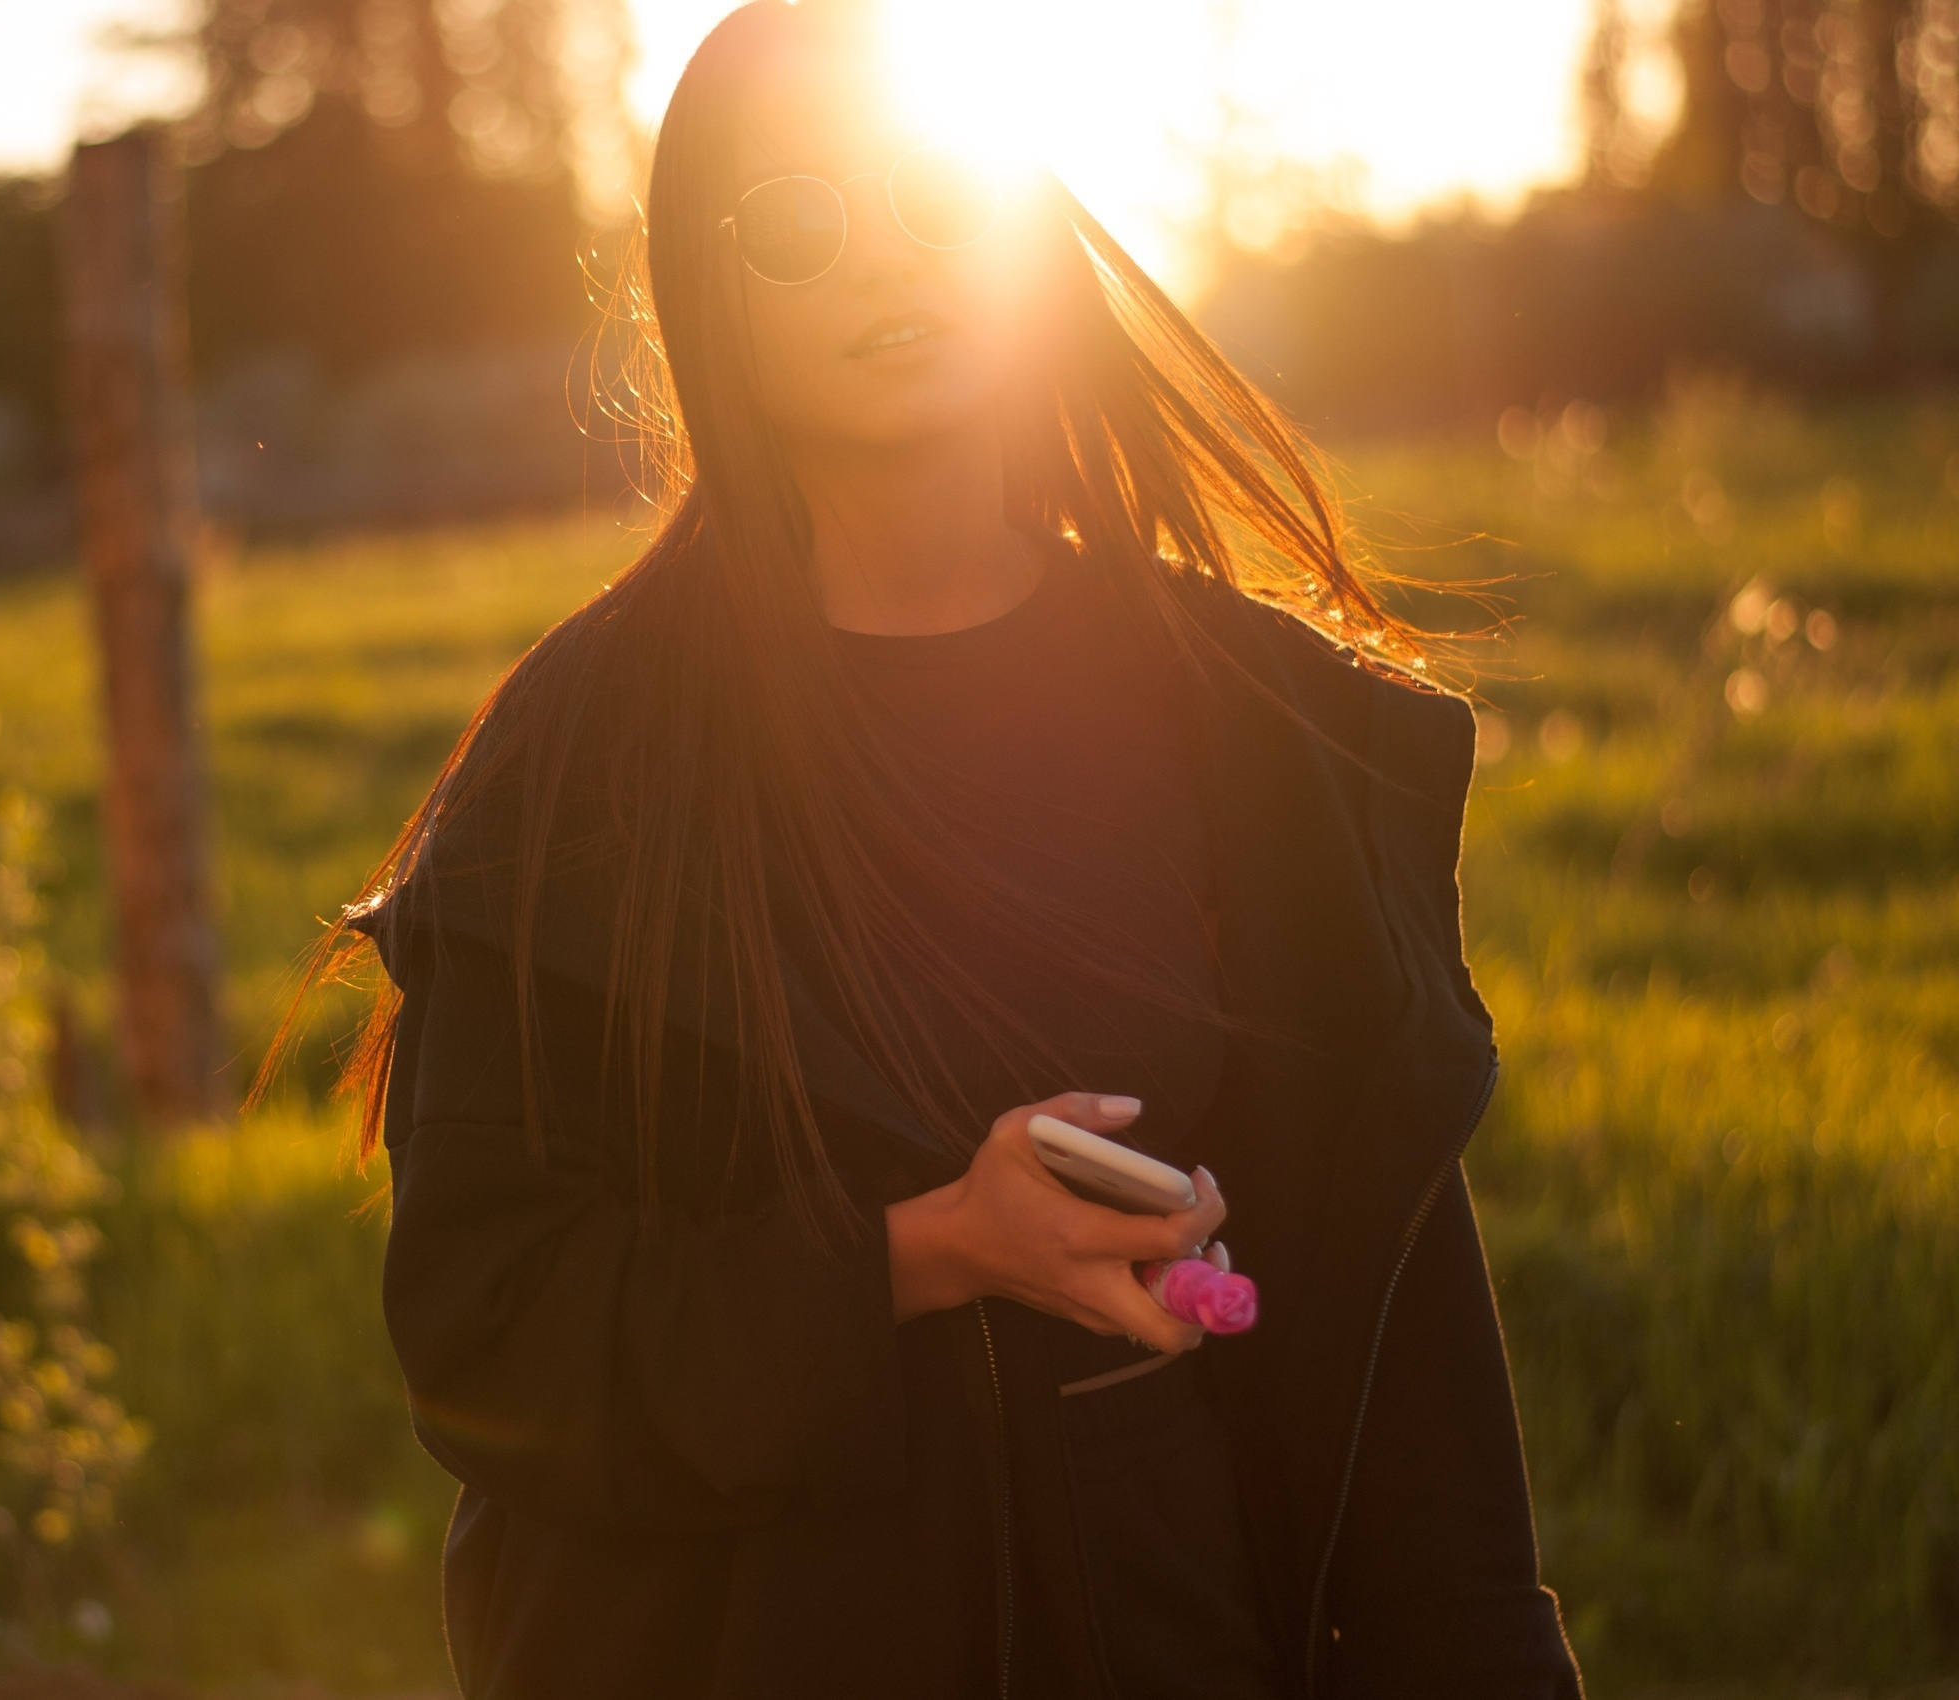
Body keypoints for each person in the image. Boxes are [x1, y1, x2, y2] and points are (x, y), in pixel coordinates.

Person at [253, 3, 1586, 1695]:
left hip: (1184, 1633)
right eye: (797, 223)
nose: (882, 255)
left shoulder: (1257, 728)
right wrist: (926, 1251)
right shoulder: (586, 761)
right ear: (710, 301)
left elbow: (1410, 1369)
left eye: (934, 193)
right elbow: (487, 1333)